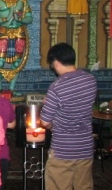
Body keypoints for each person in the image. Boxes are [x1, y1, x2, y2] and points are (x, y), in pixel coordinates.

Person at [40, 43, 97, 190]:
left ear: (56, 62)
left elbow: (45, 122)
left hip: (63, 149)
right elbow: (78, 105)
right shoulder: (91, 80)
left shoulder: (57, 87)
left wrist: (54, 125)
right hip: (85, 147)